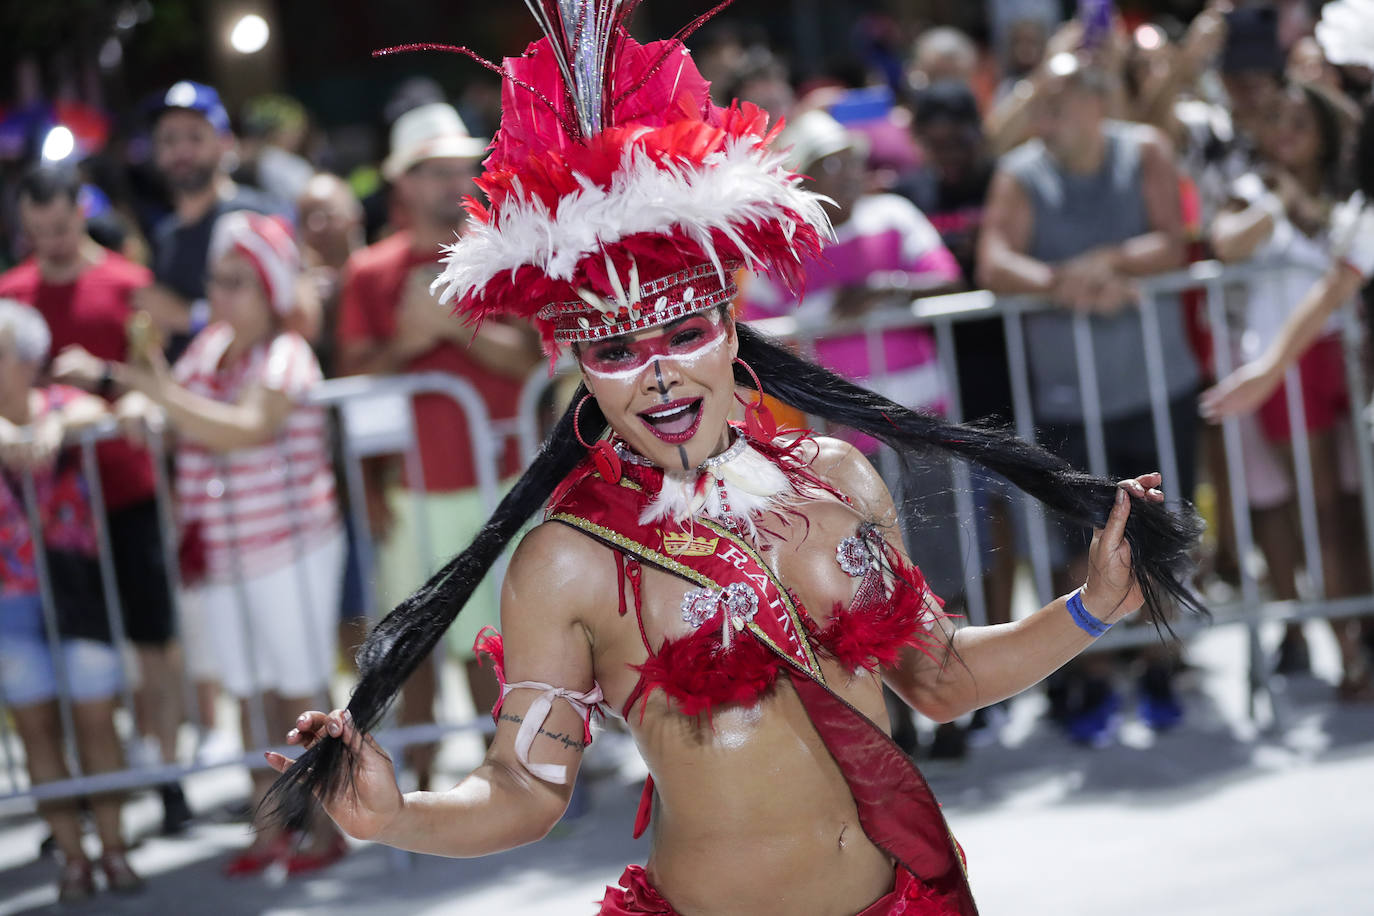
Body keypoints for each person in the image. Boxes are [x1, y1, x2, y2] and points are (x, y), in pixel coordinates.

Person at [265, 14, 1202, 916]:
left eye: (684, 330)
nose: (661, 372)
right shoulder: (570, 558)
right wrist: (397, 818)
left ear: (731, 329)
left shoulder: (839, 476)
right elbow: (524, 786)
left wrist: (1091, 608)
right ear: (581, 367)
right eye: (619, 348)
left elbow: (941, 678)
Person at [115, 211, 347, 874]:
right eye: (217, 281)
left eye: (237, 282)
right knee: (248, 696)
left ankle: (331, 829)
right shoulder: (206, 347)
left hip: (291, 548)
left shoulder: (286, 352)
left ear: (270, 289)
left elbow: (248, 427)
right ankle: (271, 827)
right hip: (221, 553)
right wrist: (143, 404)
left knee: (301, 694)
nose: (220, 294)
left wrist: (156, 393)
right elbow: (171, 409)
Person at [976, 52, 1198, 741]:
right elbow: (995, 261)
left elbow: (1175, 240)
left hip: (1157, 385)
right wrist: (1060, 280)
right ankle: (1094, 676)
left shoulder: (1147, 149)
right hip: (1066, 398)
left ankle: (1161, 665)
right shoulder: (1020, 172)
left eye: (1061, 101)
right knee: (1079, 545)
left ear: (1098, 101)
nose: (1045, 116)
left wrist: (1108, 263)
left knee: (1161, 539)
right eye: (1040, 102)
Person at [335, 101, 543, 790]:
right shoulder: (369, 271)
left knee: (502, 642)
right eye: (434, 169)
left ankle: (511, 776)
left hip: (504, 481)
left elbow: (531, 361)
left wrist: (453, 327)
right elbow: (349, 380)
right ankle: (417, 778)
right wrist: (408, 343)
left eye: (461, 165)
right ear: (403, 182)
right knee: (412, 643)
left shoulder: (504, 249)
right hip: (413, 488)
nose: (453, 180)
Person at [0, 164, 193, 835]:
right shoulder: (11, 294)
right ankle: (88, 792)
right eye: (37, 230)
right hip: (43, 513)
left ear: (81, 214)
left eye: (62, 227)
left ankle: (165, 773)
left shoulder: (125, 283)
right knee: (73, 652)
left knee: (151, 640)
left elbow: (157, 374)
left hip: (125, 488)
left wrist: (125, 389)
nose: (51, 242)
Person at [1204, 83, 1371, 695]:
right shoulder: (1255, 190)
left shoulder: (1351, 190)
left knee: (1355, 509)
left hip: (1348, 357)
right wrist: (1281, 201)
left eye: (1300, 122)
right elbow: (1225, 243)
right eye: (1276, 122)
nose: (1285, 134)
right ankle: (1352, 655)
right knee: (1321, 511)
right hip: (1286, 365)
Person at [0, 299, 143, 902]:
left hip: (78, 590)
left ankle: (113, 851)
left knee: (94, 721)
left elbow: (111, 407)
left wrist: (53, 425)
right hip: (11, 602)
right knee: (35, 729)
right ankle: (74, 859)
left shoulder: (63, 407)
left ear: (28, 359)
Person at [141, 81, 291, 361]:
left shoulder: (257, 216)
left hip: (250, 388)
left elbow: (289, 311)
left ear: (225, 142)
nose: (182, 151)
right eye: (169, 140)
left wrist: (188, 316)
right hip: (185, 390)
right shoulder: (165, 236)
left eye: (195, 137)